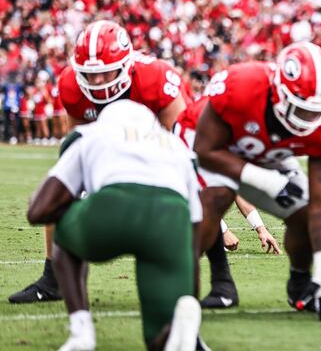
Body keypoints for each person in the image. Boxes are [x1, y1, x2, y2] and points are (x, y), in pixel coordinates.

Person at [9, 20, 191, 304]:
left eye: (106, 73)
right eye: (90, 75)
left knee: (204, 192)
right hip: (108, 148)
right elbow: (77, 146)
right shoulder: (71, 84)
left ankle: (221, 279)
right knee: (63, 184)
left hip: (156, 148)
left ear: (126, 65)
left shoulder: (155, 78)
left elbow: (185, 145)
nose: (97, 82)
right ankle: (52, 278)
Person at [182, 41, 321, 321]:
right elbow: (205, 151)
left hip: (268, 151)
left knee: (305, 210)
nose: (308, 118)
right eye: (300, 108)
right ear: (278, 92)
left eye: (315, 110)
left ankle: (300, 283)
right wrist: (269, 182)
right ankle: (186, 297)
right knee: (213, 200)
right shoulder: (242, 85)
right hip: (208, 142)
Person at [26, 100, 204, 351]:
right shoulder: (177, 147)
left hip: (113, 205)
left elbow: (38, 211)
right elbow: (195, 235)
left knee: (62, 229)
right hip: (170, 218)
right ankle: (176, 330)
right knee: (158, 339)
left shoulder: (92, 133)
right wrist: (189, 294)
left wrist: (73, 205)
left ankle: (81, 331)